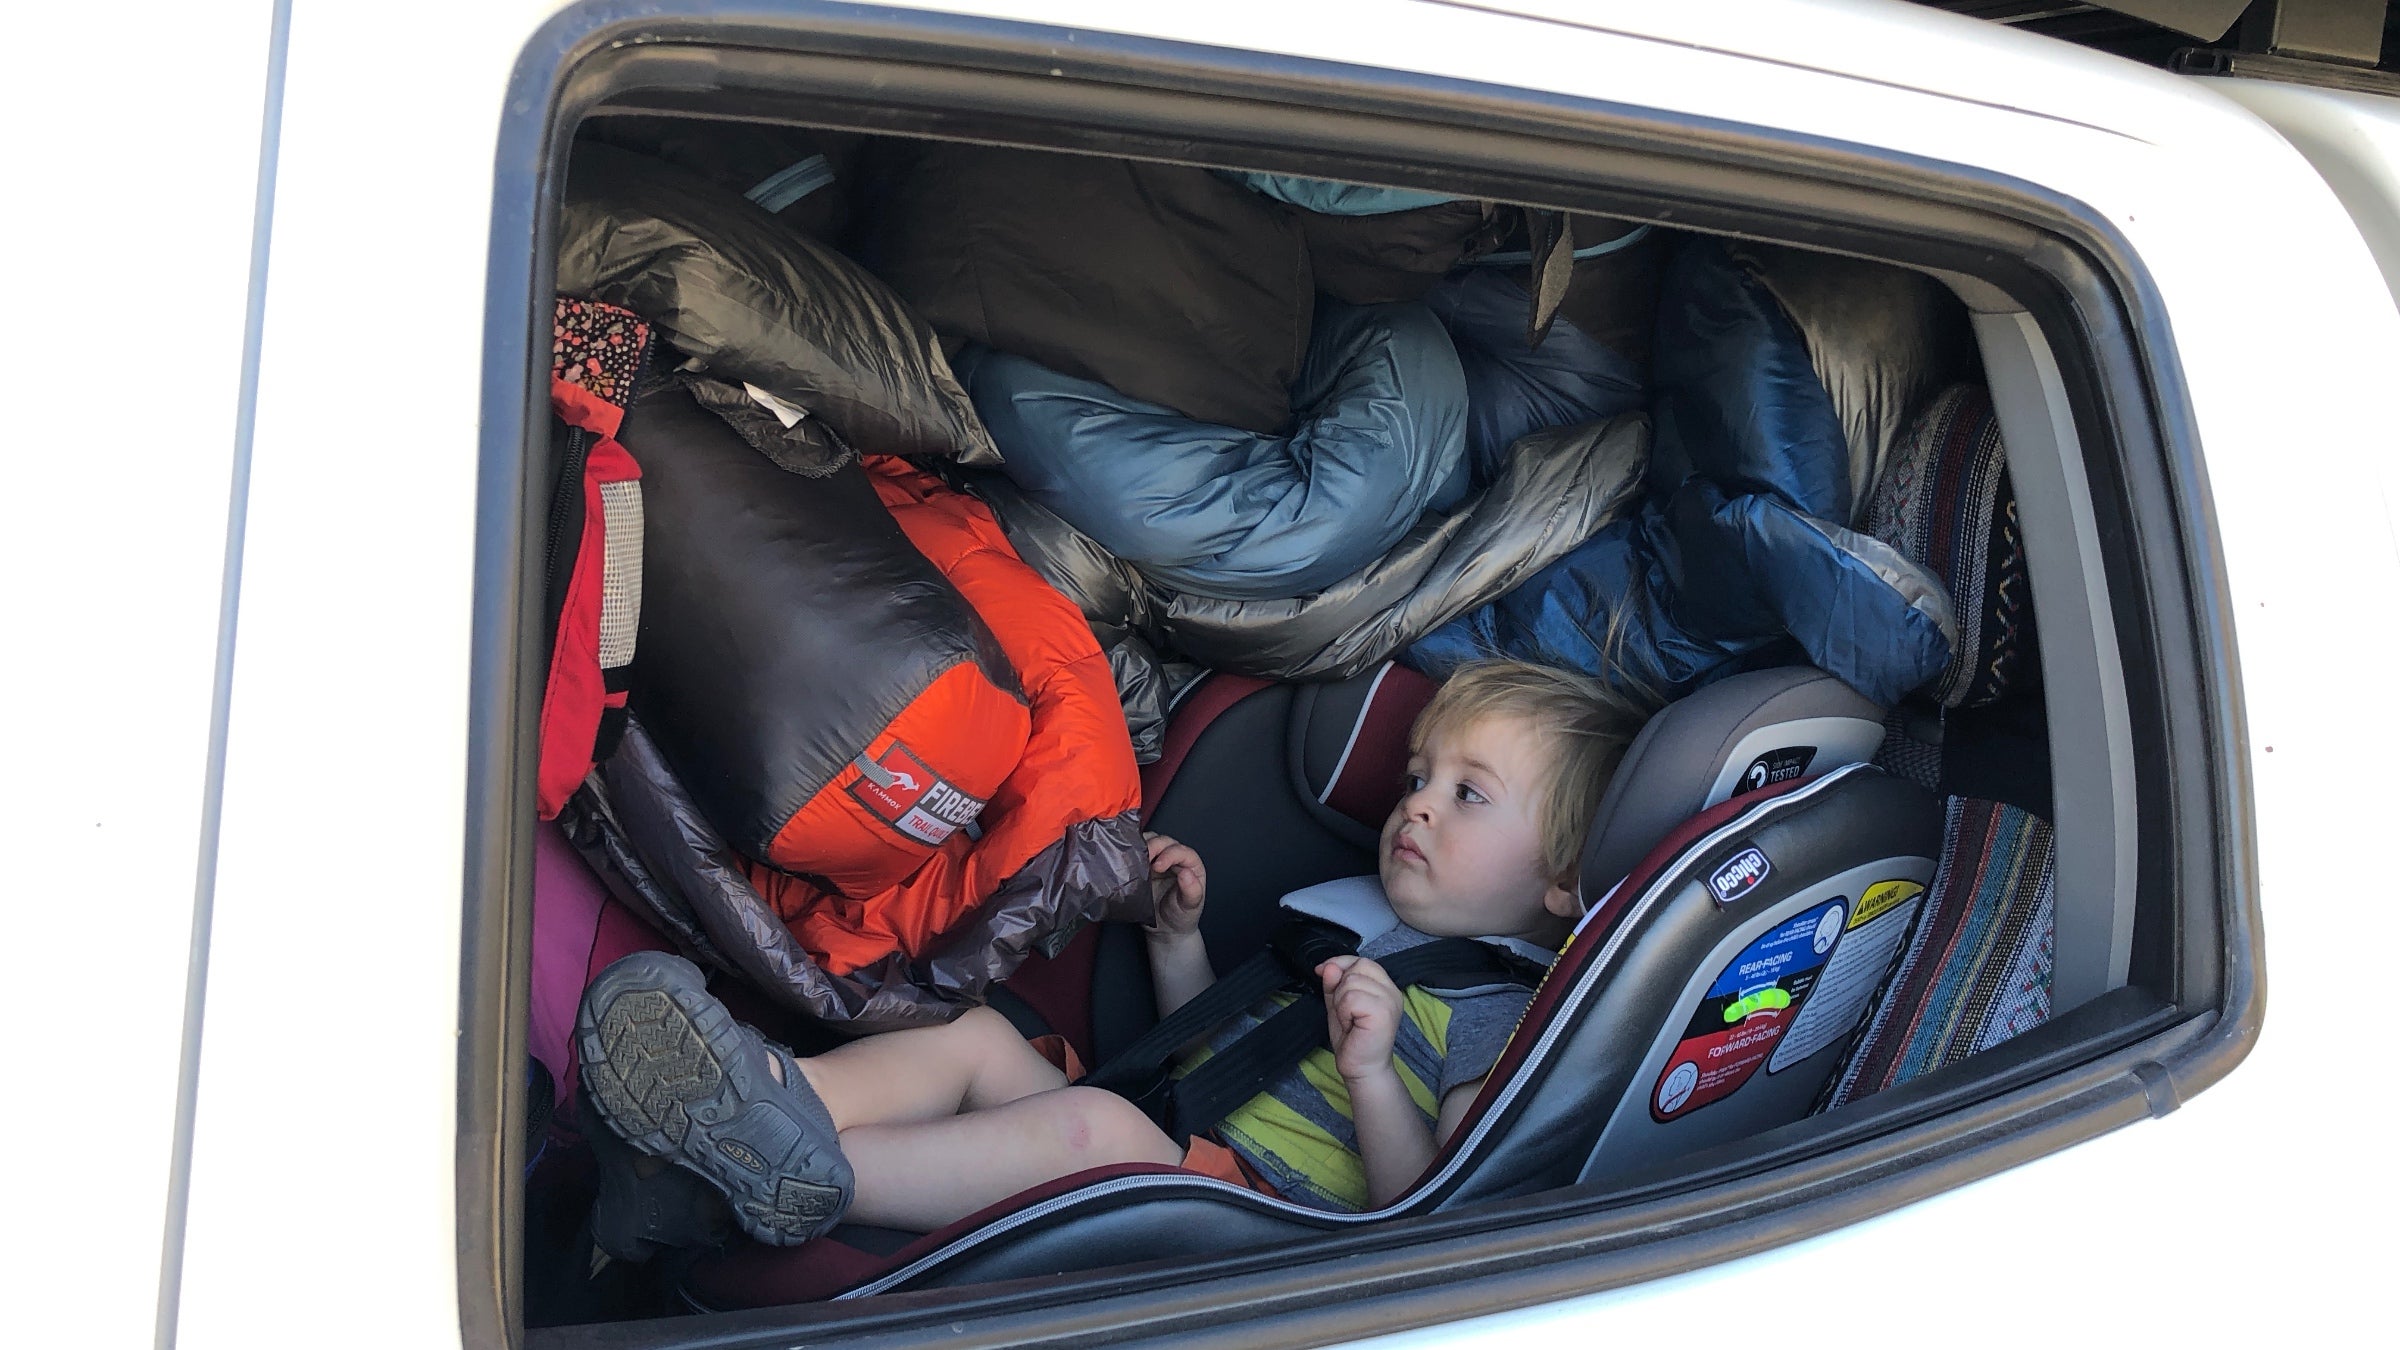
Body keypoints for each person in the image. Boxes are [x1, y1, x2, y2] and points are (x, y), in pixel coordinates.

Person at [575, 660, 1646, 1245]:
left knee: (1093, 1125)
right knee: (975, 1034)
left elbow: (1438, 1210)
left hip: (1261, 1222)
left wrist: (1370, 1073)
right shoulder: (1357, 924)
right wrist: (1178, 944)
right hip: (1184, 1140)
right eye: (1417, 777)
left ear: (1561, 880)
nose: (1415, 806)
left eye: (1468, 795)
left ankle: (818, 1177)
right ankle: (762, 1094)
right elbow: (1213, 1052)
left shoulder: (1509, 1012)